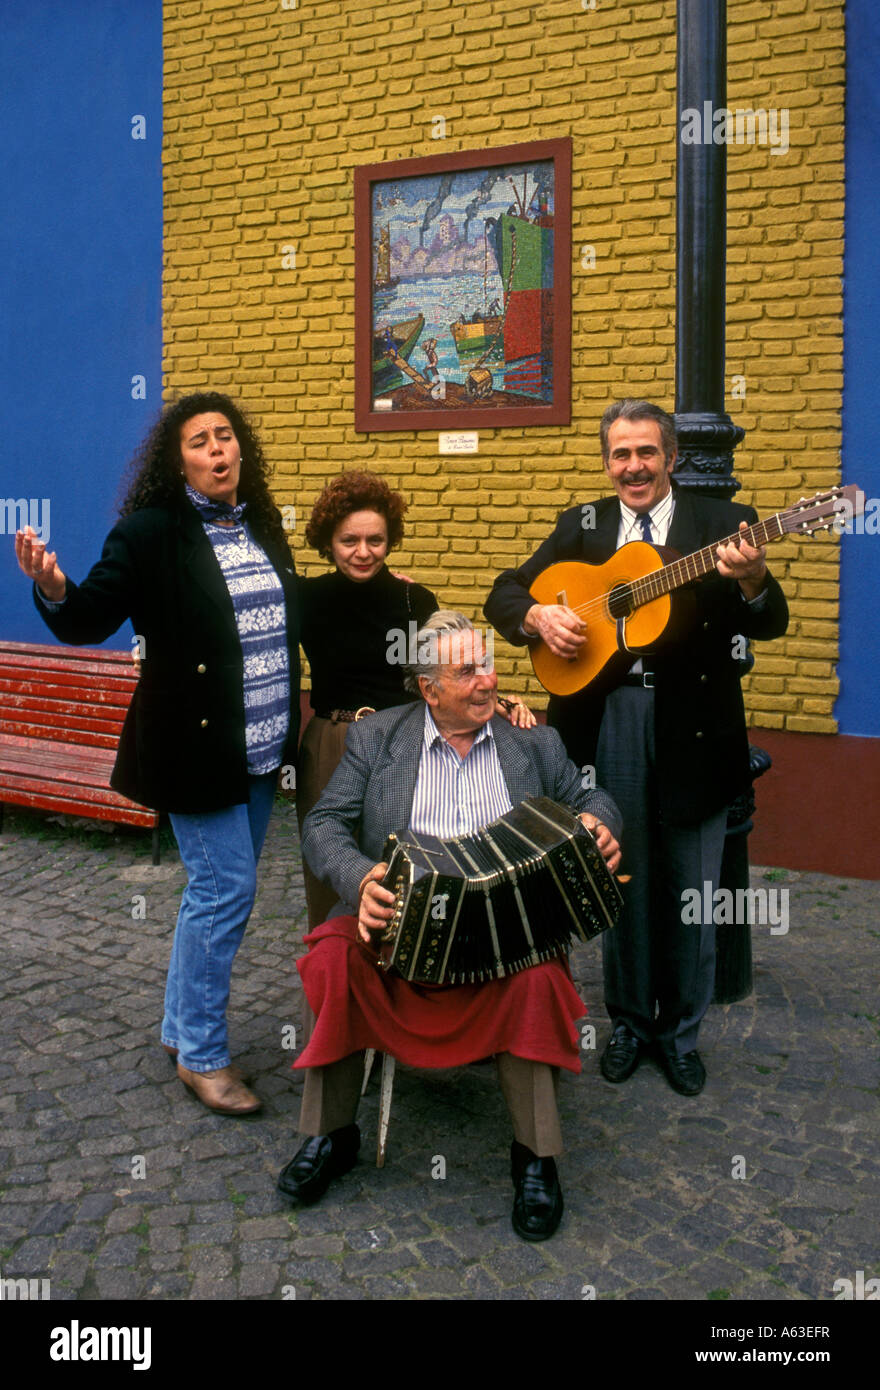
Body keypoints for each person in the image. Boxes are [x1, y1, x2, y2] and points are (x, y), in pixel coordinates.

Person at [277, 612, 622, 1242]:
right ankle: (331, 1135)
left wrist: (601, 826)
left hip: (505, 937)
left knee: (539, 976)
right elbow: (322, 823)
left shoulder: (533, 742)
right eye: (466, 672)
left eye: (488, 665)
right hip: (400, 930)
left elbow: (592, 796)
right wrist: (360, 881)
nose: (487, 681)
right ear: (428, 689)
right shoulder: (377, 739)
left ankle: (536, 1157)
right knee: (332, 958)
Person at [484, 399, 789, 1097]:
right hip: (602, 722)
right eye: (620, 454)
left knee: (692, 885)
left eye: (647, 452)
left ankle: (680, 1034)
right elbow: (504, 591)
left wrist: (752, 579)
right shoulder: (582, 526)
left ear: (673, 457)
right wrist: (537, 614)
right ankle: (625, 1023)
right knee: (617, 878)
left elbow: (771, 621)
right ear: (606, 462)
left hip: (695, 724)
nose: (634, 467)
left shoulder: (725, 526)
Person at [14, 392, 301, 1116]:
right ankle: (202, 1055)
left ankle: (180, 1027)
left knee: (212, 894)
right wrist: (53, 586)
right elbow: (89, 617)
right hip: (194, 750)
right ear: (179, 462)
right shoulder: (149, 534)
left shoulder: (262, 525)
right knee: (225, 891)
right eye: (201, 441)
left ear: (242, 450)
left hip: (264, 748)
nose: (218, 450)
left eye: (226, 437)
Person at [296, 469, 534, 930]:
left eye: (376, 540)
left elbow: (446, 669)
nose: (363, 552)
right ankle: (336, 986)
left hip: (398, 743)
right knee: (330, 877)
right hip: (330, 742)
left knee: (403, 872)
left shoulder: (413, 601)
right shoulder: (307, 598)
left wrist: (496, 701)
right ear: (328, 539)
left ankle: (414, 986)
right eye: (349, 541)